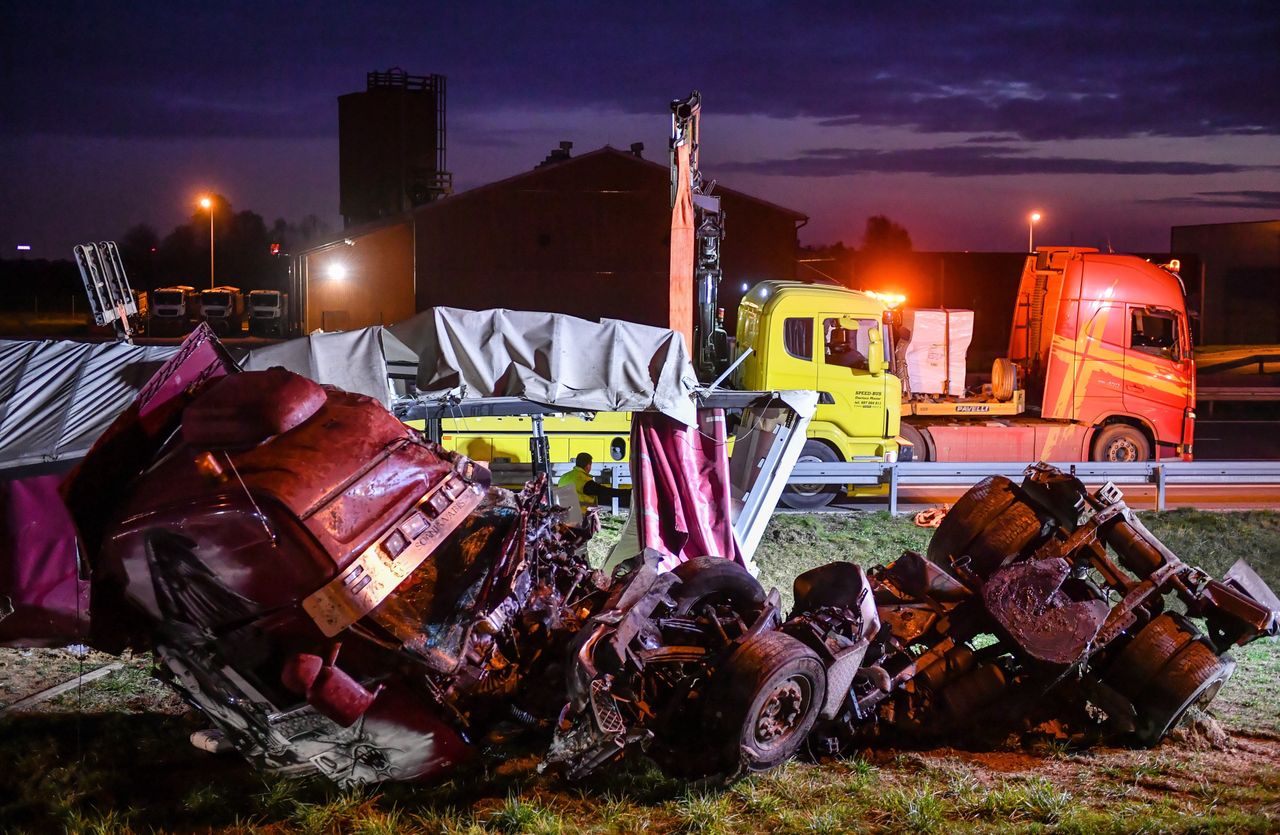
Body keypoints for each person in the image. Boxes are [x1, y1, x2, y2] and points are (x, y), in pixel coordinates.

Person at [557, 452, 628, 514]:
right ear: (588, 465)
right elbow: (605, 492)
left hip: (562, 515)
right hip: (578, 516)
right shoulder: (584, 480)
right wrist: (628, 492)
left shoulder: (564, 477)